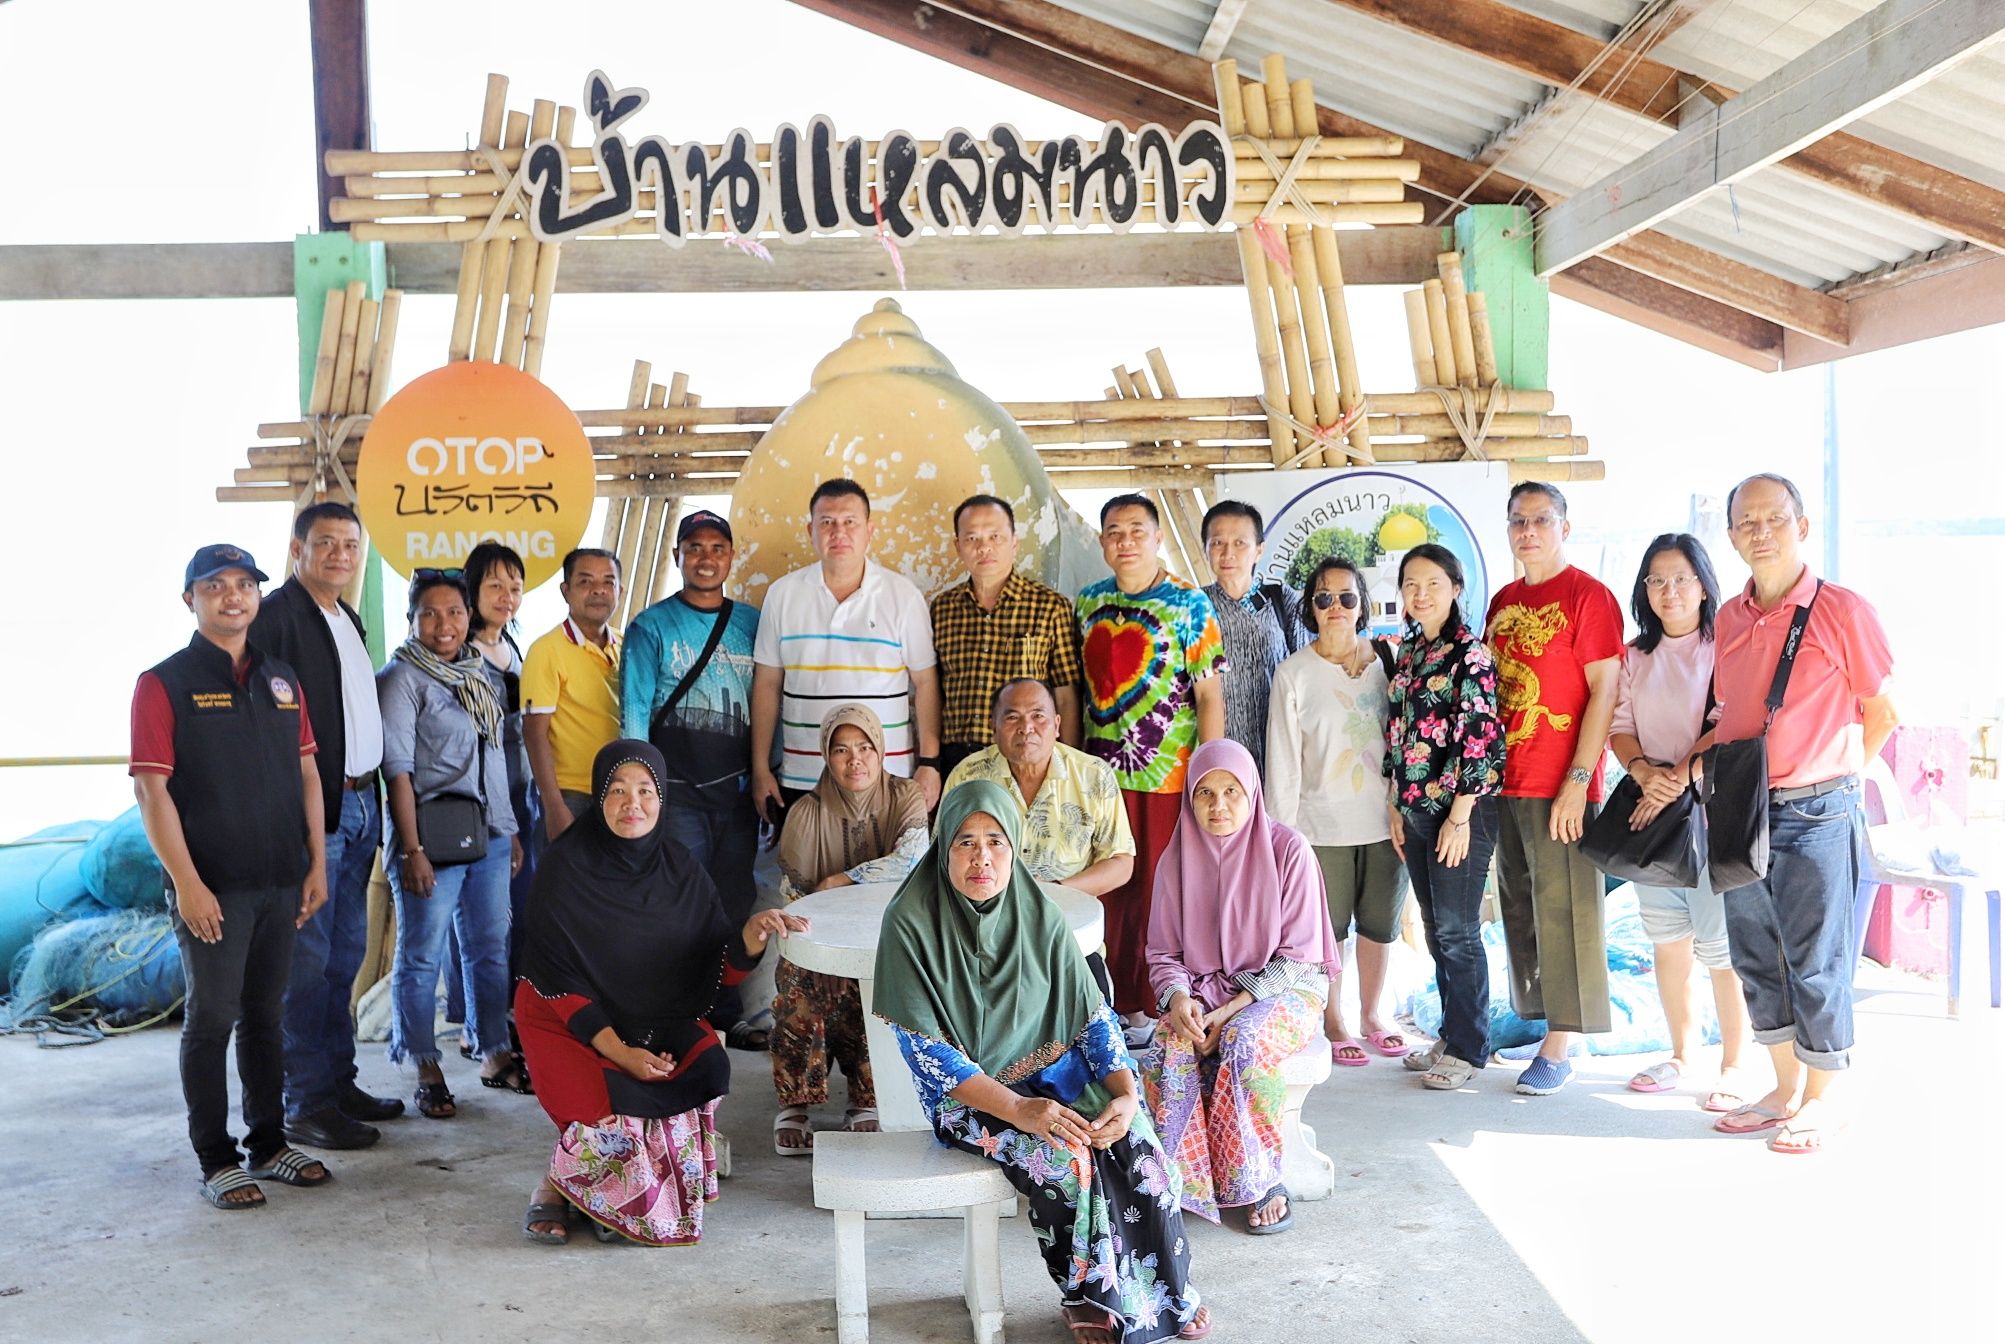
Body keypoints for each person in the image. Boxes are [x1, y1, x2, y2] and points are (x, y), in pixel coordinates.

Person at [875, 781, 1209, 1344]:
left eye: (996, 841)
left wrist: (1126, 1094)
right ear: (943, 848)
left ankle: (1169, 1291)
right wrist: (1018, 1109)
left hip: (1060, 1075)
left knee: (1138, 1148)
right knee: (1065, 1162)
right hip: (974, 1097)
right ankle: (1086, 1295)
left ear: (1015, 848)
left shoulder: (1040, 915)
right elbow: (928, 1053)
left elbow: (1094, 1018)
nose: (982, 857)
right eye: (965, 842)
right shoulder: (910, 923)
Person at [515, 741, 807, 1245]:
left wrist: (751, 936)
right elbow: (558, 980)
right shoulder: (565, 868)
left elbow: (712, 966)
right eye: (618, 790)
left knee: (705, 1065)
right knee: (608, 1102)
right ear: (599, 796)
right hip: (565, 1022)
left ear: (661, 799)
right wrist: (621, 1052)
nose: (633, 803)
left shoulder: (680, 869)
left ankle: (612, 1192)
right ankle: (558, 1184)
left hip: (651, 1018)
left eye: (646, 791)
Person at [132, 544, 331, 1208]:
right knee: (212, 1018)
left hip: (280, 879)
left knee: (266, 1016)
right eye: (215, 585)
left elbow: (307, 772)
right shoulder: (162, 683)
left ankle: (268, 1145)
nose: (232, 596)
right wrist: (187, 884)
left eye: (244, 584)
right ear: (189, 599)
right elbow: (151, 792)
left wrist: (316, 863)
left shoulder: (281, 679)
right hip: (212, 888)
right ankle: (216, 1159)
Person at [1708, 474, 1895, 1155]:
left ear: (1802, 527)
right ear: (1731, 535)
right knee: (1756, 955)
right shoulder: (1727, 618)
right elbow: (1728, 716)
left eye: (1775, 519)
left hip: (1818, 809)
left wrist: (1837, 779)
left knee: (1817, 960)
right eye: (1747, 522)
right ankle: (1784, 1088)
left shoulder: (1842, 610)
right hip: (1741, 808)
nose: (1761, 531)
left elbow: (1882, 711)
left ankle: (1823, 1097)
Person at [249, 501, 401, 1149]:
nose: (341, 554)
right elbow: (259, 725)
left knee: (343, 959)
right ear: (297, 549)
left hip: (361, 804)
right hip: (314, 814)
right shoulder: (275, 618)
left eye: (350, 544)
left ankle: (337, 1082)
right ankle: (305, 1102)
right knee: (306, 966)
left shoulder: (346, 616)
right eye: (326, 542)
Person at [1142, 740, 1340, 1235]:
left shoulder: (1288, 850)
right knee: (1169, 1041)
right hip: (1205, 992)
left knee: (1245, 1040)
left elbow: (1298, 956)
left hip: (1287, 988)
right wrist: (1180, 1000)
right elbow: (1163, 954)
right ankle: (1185, 1180)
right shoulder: (1176, 860)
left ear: (1252, 792)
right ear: (1189, 798)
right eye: (1205, 793)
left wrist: (1229, 1010)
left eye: (1231, 791)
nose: (1218, 805)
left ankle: (1260, 1180)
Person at [1484, 482, 1624, 1095]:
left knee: (1567, 909)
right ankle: (1543, 1026)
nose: (1528, 531)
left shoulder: (1588, 596)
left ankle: (1561, 1046)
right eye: (1518, 521)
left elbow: (1605, 690)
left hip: (1561, 780)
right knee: (1521, 907)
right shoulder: (1503, 601)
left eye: (1541, 520)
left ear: (1565, 527)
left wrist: (1579, 779)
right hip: (1506, 780)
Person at [1607, 535, 1751, 1109]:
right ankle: (1682, 1055)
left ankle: (1734, 1065)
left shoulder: (1725, 647)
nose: (1670, 591)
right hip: (1653, 813)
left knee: (1721, 950)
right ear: (1644, 589)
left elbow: (1729, 719)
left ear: (1704, 586)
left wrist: (1680, 775)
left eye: (1682, 579)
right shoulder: (1633, 656)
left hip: (1711, 813)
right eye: (1657, 580)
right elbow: (1620, 727)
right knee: (1668, 941)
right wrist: (1646, 773)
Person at [1077, 495, 1227, 1038]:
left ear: (1158, 538)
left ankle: (1148, 1007)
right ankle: (1103, 1002)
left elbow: (1209, 697)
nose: (1126, 541)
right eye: (1114, 531)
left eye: (1137, 530)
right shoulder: (1088, 602)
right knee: (1104, 889)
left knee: (1154, 892)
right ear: (1102, 542)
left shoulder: (1189, 604)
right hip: (1099, 776)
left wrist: (1210, 775)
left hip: (1167, 775)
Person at [378, 572, 524, 1116]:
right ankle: (425, 1064)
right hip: (430, 840)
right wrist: (411, 850)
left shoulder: (477, 672)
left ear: (469, 616)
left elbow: (495, 756)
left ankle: (493, 1050)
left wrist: (508, 831)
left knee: (489, 948)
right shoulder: (401, 678)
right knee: (421, 955)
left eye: (455, 612)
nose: (444, 625)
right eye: (430, 614)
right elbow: (397, 770)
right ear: (411, 619)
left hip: (488, 833)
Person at [620, 510, 765, 1045]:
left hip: (739, 795)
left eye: (717, 548)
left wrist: (767, 771)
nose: (706, 558)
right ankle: (685, 1014)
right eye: (695, 548)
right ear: (676, 555)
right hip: (676, 796)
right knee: (682, 903)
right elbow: (634, 711)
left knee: (733, 903)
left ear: (731, 557)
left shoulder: (753, 624)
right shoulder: (650, 627)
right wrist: (641, 792)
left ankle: (726, 1012)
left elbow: (767, 702)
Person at [1266, 556, 1409, 1066]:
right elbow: (1283, 762)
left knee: (1380, 924)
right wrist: (1281, 838)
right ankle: (1334, 1019)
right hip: (1319, 826)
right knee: (1330, 932)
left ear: (1362, 605)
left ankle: (1372, 1015)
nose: (1336, 607)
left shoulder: (1388, 662)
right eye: (1324, 597)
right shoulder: (1293, 674)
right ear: (1310, 606)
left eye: (1347, 597)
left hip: (1385, 820)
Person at [769, 705, 930, 1153]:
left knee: (888, 988)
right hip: (820, 943)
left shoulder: (906, 796)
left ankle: (867, 1096)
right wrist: (823, 954)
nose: (854, 759)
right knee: (799, 987)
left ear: (881, 750)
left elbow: (913, 861)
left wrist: (840, 880)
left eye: (864, 747)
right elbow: (794, 904)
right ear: (826, 755)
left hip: (893, 941)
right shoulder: (805, 813)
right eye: (841, 750)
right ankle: (796, 1101)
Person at [1386, 545, 1507, 1092]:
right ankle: (1451, 1033)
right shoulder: (1410, 652)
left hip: (1462, 812)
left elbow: (1479, 739)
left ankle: (1468, 1047)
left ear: (1456, 588)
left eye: (1433, 583)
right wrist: (1396, 803)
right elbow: (1397, 732)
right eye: (1411, 584)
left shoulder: (1470, 654)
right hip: (1414, 809)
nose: (1421, 594)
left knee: (1459, 931)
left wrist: (1458, 818)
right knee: (1436, 930)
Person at [750, 479, 943, 818]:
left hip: (887, 777)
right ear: (811, 530)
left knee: (886, 857)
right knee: (803, 856)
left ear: (869, 530)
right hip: (803, 779)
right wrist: (760, 768)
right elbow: (766, 685)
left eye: (850, 521)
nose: (838, 532)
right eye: (827, 522)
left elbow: (926, 683)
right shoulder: (782, 595)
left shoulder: (903, 596)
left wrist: (929, 763)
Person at [929, 494, 1086, 777]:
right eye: (972, 538)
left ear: (1014, 542)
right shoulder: (943, 608)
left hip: (1026, 755)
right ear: (958, 546)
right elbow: (935, 692)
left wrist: (1067, 766)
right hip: (958, 759)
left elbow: (1065, 696)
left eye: (995, 537)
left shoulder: (1049, 606)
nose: (984, 547)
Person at [523, 548, 623, 842]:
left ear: (620, 591)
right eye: (585, 581)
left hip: (618, 791)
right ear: (565, 591)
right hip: (570, 795)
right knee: (564, 873)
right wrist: (554, 807)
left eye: (608, 582)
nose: (598, 590)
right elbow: (534, 734)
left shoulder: (626, 643)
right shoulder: (546, 650)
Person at [1199, 501, 1300, 777]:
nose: (1228, 553)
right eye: (1217, 542)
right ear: (1205, 549)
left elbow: (1307, 674)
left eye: (1240, 543)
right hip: (1223, 757)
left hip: (1281, 752)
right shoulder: (1195, 605)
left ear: (1259, 550)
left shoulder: (1281, 600)